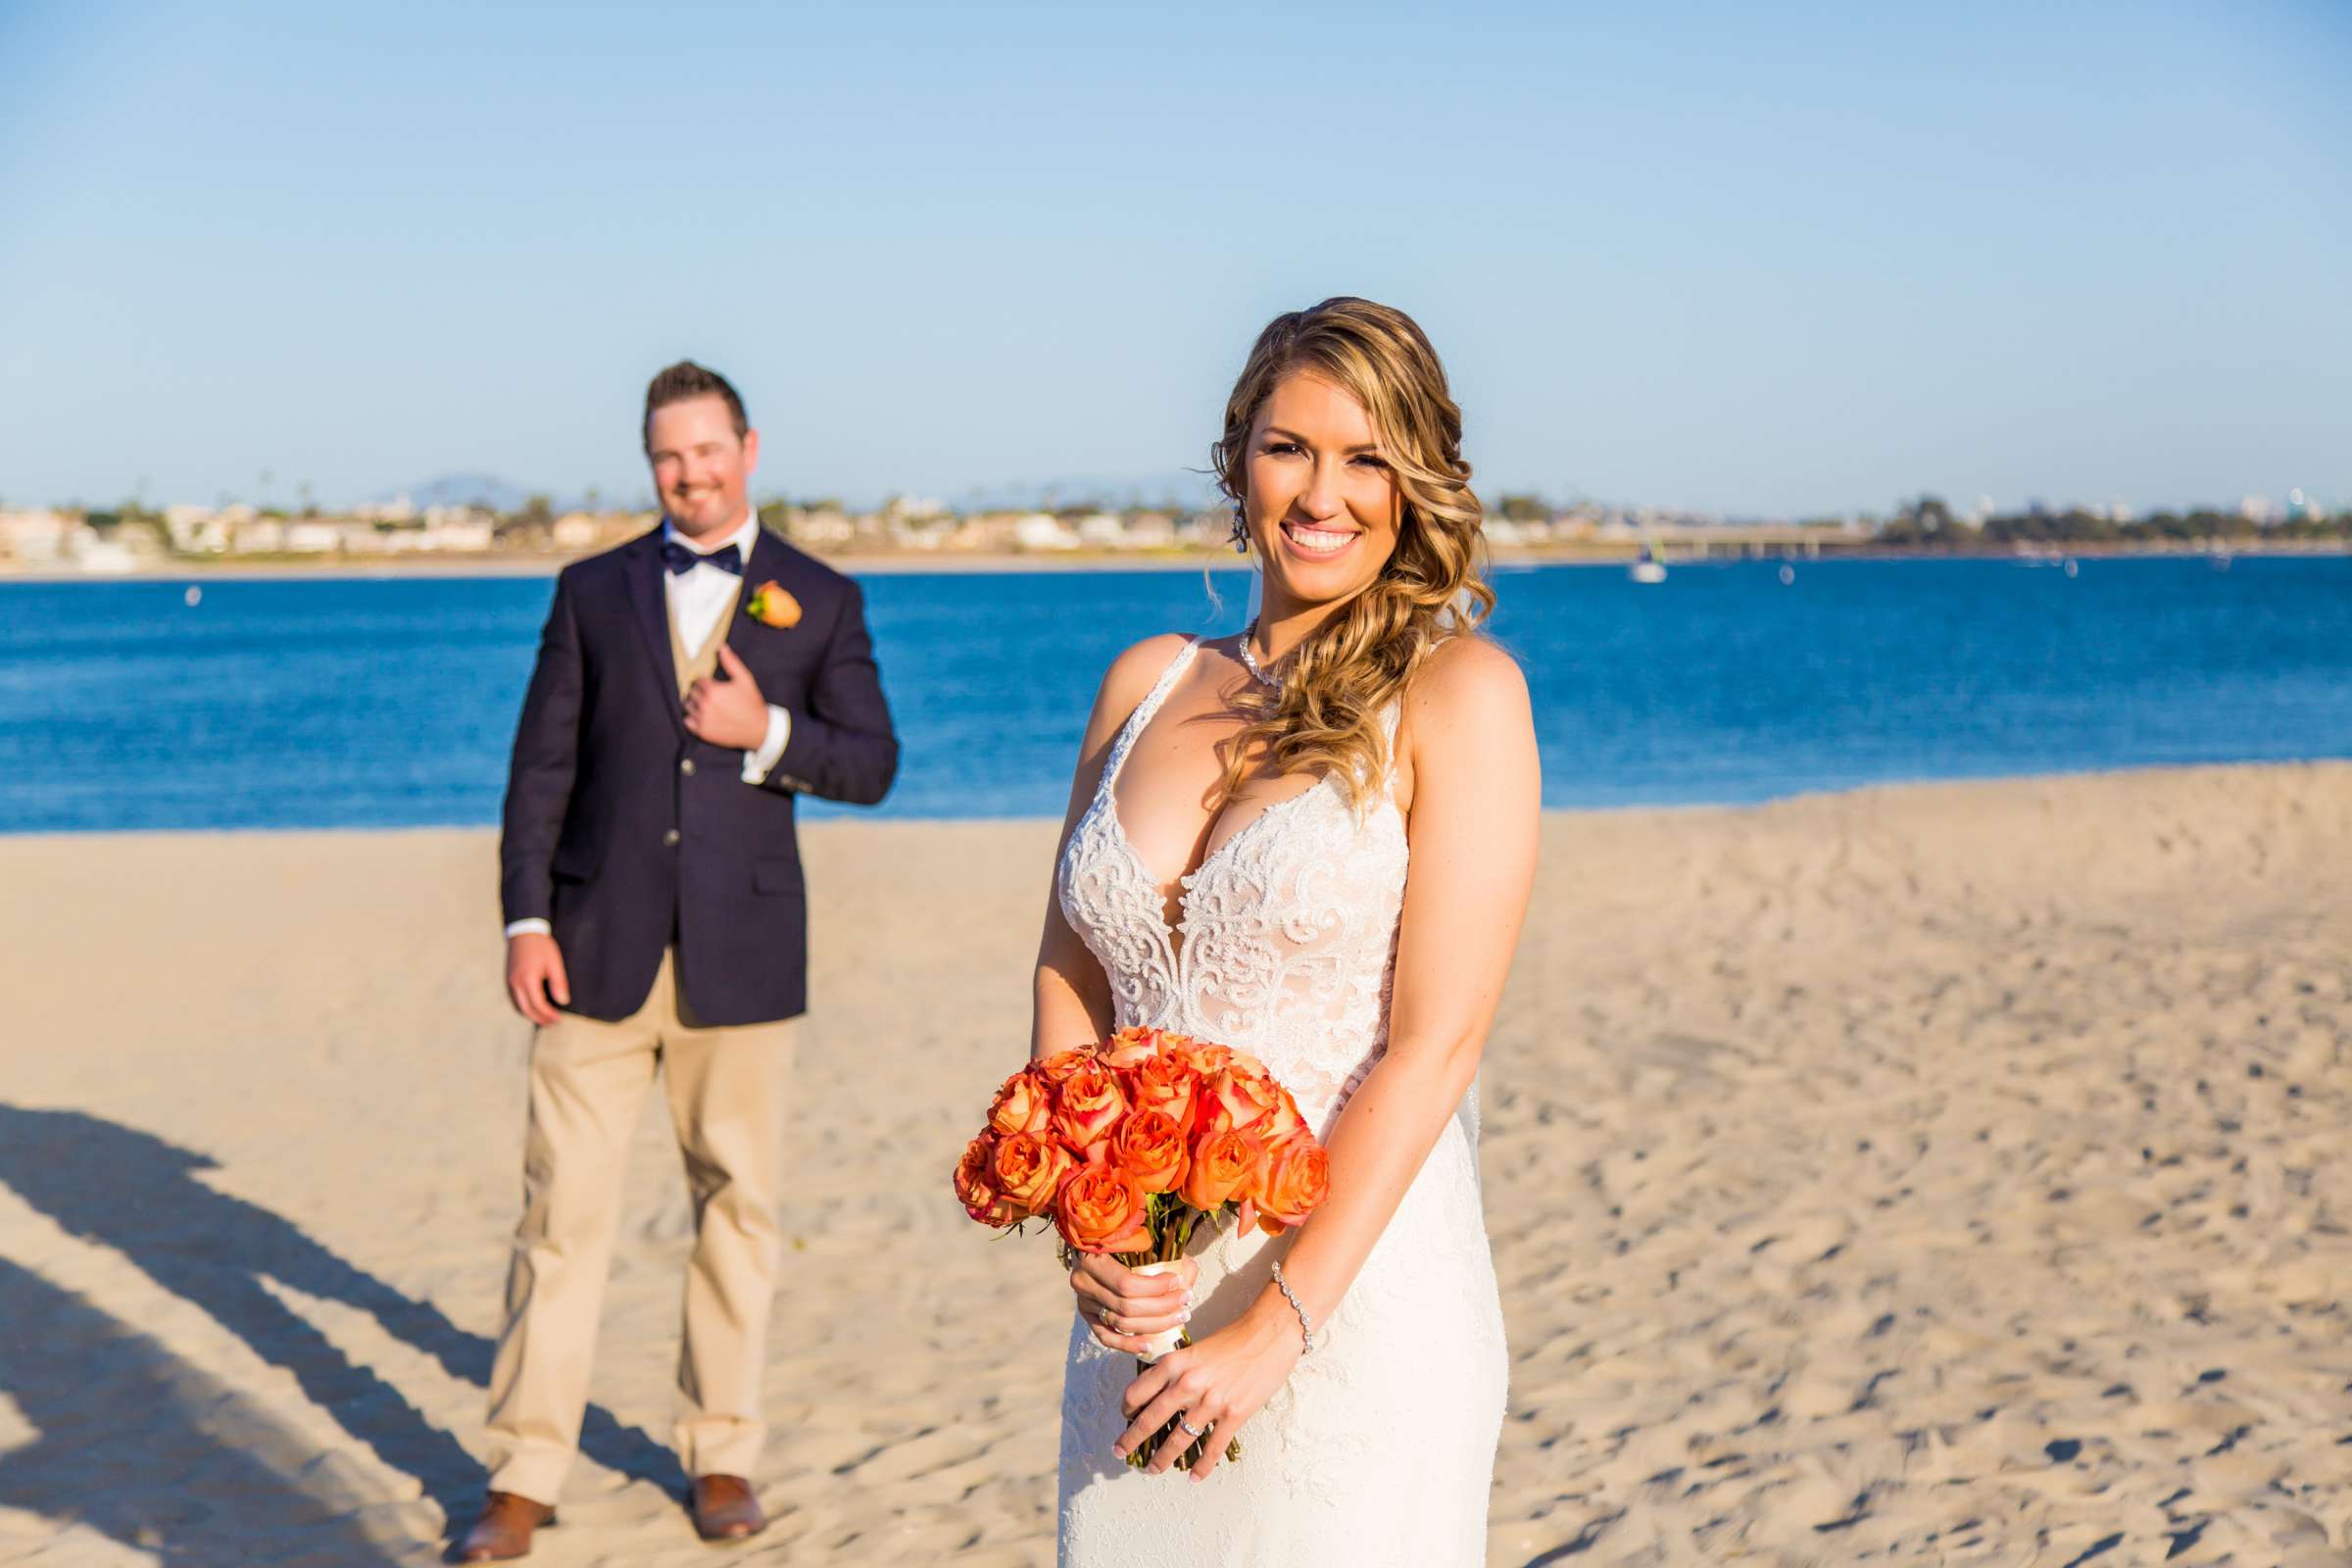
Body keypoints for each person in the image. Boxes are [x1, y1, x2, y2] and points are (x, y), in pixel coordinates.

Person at [1036, 298, 1540, 1562]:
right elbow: (1072, 974)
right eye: (1290, 448)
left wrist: (1280, 1326)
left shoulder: (1459, 694)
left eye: (1368, 457)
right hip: (1137, 1315)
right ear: (1237, 458)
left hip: (1353, 1310)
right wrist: (1087, 1228)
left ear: (1417, 480)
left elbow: (1437, 1043)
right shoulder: (1142, 683)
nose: (1325, 493)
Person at [459, 362, 899, 1560]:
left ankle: (722, 1453)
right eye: (667, 457)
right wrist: (525, 920)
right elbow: (539, 770)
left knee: (737, 1213)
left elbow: (872, 763)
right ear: (649, 461)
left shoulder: (821, 597)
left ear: (749, 448)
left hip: (741, 963)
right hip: (591, 952)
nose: (689, 474)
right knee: (559, 1218)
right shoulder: (591, 591)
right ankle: (524, 1470)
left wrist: (769, 734)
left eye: (707, 451)